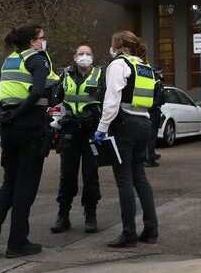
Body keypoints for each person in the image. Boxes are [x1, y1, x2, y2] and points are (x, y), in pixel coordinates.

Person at [0, 24, 60, 259]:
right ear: (32, 41)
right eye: (41, 37)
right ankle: (17, 242)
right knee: (26, 187)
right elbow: (38, 91)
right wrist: (19, 113)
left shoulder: (10, 61)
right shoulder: (38, 59)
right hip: (29, 126)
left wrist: (2, 114)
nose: (44, 41)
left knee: (9, 183)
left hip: (9, 128)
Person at [92, 31, 159, 248]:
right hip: (144, 124)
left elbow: (112, 100)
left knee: (124, 180)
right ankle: (151, 230)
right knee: (140, 178)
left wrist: (102, 128)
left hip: (125, 125)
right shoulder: (144, 66)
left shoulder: (118, 65)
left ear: (118, 46)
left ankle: (129, 233)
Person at [51, 45, 103, 235]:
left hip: (91, 132)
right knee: (67, 175)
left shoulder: (100, 76)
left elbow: (107, 101)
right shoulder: (65, 75)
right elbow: (55, 100)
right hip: (70, 130)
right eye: (81, 53)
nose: (84, 56)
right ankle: (63, 215)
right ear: (74, 57)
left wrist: (96, 117)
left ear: (93, 57)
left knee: (90, 176)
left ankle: (90, 215)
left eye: (88, 53)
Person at [145, 66, 166, 168]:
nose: (162, 74)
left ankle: (151, 154)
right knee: (152, 136)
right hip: (153, 112)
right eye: (160, 72)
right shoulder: (157, 83)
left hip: (151, 111)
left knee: (151, 136)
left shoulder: (151, 82)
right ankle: (149, 159)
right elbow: (159, 99)